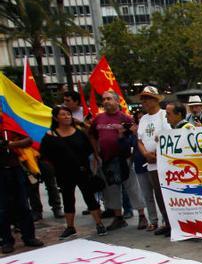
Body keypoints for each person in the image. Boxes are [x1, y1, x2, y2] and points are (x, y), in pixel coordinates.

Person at [39, 106, 106, 238]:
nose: (66, 117)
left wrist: (92, 165)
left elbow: (89, 151)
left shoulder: (79, 133)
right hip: (63, 173)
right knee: (68, 199)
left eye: (68, 114)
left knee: (89, 197)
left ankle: (99, 224)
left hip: (82, 171)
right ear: (55, 118)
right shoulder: (49, 136)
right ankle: (70, 227)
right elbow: (44, 156)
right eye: (63, 115)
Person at [90, 91, 146, 231]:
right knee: (112, 190)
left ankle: (142, 215)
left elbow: (135, 137)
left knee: (132, 187)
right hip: (106, 159)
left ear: (116, 101)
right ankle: (118, 217)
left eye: (109, 99)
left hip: (124, 159)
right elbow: (92, 135)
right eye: (104, 99)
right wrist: (96, 152)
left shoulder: (125, 118)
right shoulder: (98, 119)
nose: (106, 101)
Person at [0, 118, 44, 253]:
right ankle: (7, 241)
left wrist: (11, 144)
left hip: (15, 169)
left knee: (23, 204)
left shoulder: (7, 122)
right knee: (3, 208)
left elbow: (28, 140)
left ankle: (29, 236)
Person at [136, 86, 171, 236]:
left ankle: (172, 222)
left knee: (167, 194)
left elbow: (169, 136)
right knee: (158, 194)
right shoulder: (143, 119)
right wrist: (145, 154)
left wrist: (156, 153)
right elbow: (139, 140)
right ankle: (166, 222)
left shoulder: (164, 115)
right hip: (150, 164)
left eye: (147, 98)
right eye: (143, 98)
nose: (144, 101)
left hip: (164, 162)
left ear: (155, 100)